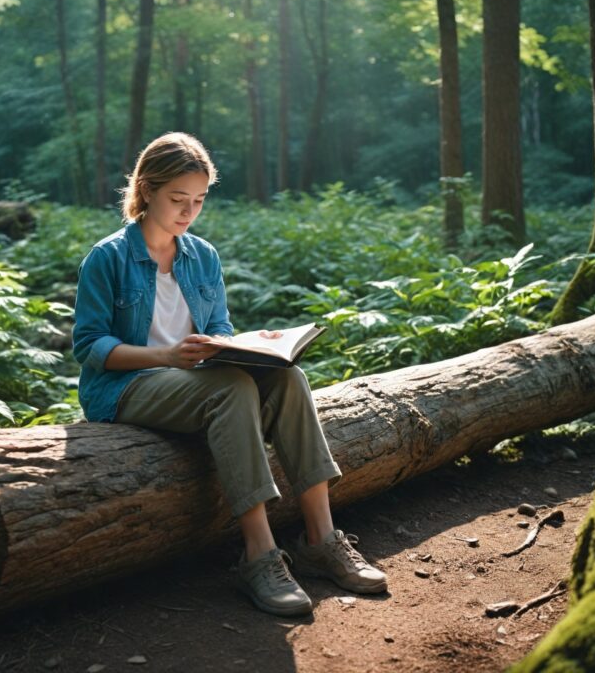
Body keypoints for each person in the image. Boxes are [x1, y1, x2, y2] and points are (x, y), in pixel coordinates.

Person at [72, 132, 387, 617]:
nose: (188, 212)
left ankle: (321, 540)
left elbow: (218, 328)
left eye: (198, 201)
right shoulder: (108, 258)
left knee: (289, 380)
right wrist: (166, 357)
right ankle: (259, 555)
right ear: (147, 190)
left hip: (195, 381)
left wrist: (244, 346)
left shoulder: (203, 256)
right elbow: (90, 347)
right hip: (124, 389)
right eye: (178, 199)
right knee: (231, 389)